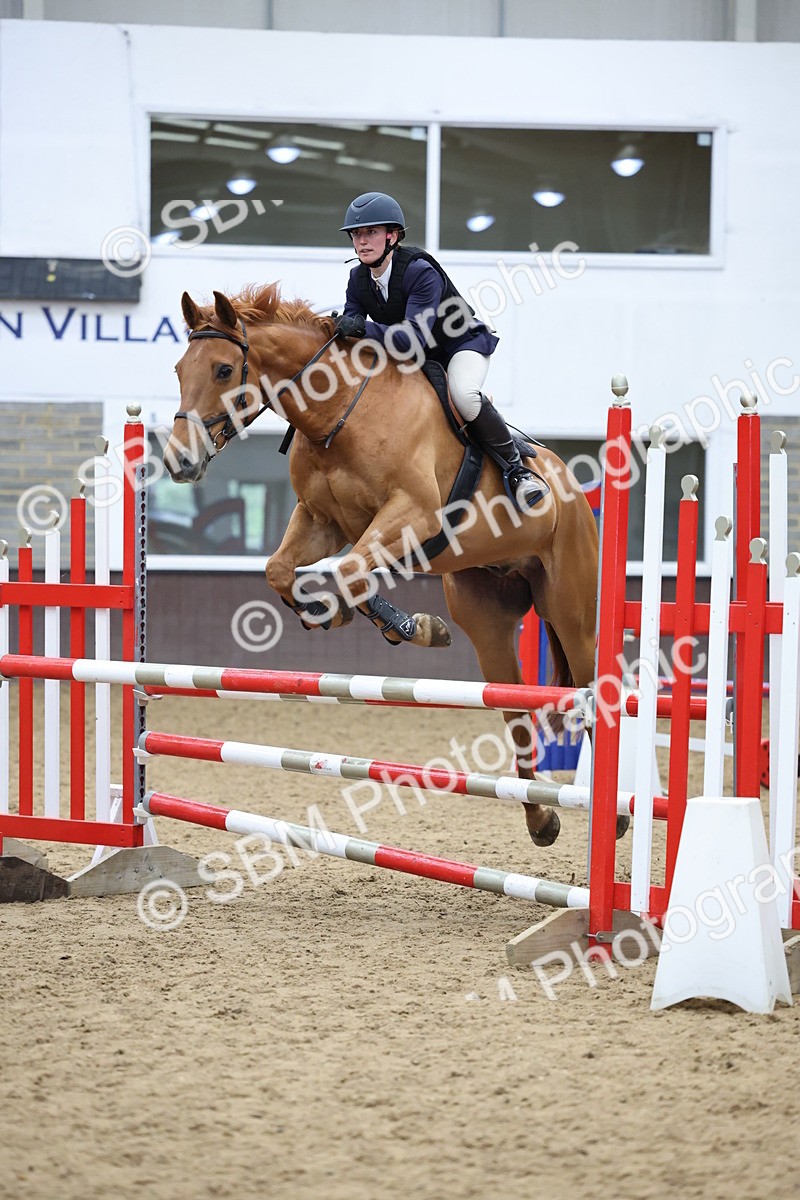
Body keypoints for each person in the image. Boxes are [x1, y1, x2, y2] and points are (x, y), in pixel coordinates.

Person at [334, 191, 549, 511]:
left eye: (371, 233)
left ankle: (518, 471)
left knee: (463, 393)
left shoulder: (420, 270)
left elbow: (411, 339)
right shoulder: (357, 279)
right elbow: (351, 329)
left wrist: (362, 329)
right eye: (356, 234)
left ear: (392, 236)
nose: (362, 242)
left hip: (459, 345)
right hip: (418, 358)